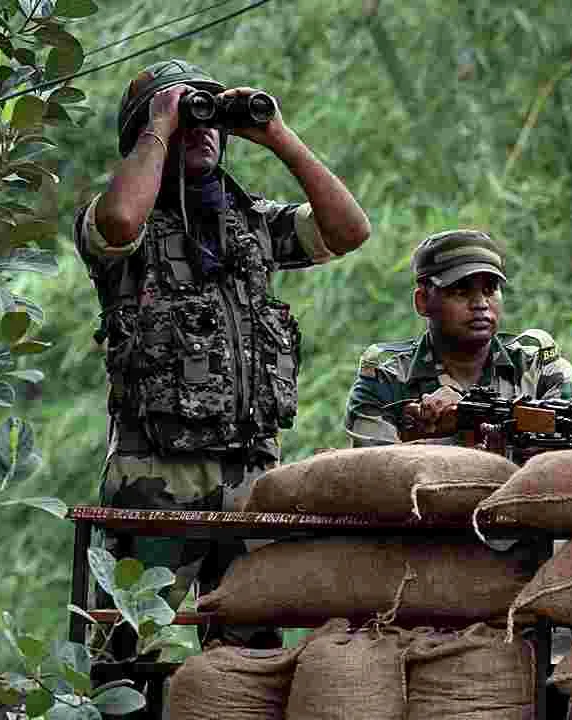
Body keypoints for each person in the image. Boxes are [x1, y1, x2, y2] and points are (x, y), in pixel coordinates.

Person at [75, 59, 370, 650]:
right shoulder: (119, 220)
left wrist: (276, 135)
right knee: (124, 656)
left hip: (252, 478)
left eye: (208, 116)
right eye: (188, 115)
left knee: (251, 666)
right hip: (156, 477)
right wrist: (163, 121)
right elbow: (119, 221)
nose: (201, 127)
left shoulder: (249, 223)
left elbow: (348, 230)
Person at [345, 229, 572, 447]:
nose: (480, 303)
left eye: (490, 290)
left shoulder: (543, 369)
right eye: (460, 290)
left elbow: (569, 448)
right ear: (423, 301)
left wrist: (471, 418)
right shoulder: (385, 381)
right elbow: (376, 472)